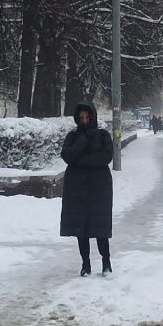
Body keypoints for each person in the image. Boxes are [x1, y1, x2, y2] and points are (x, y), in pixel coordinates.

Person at [60, 102, 114, 276]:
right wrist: (84, 139)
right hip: (77, 188)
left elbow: (106, 156)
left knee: (100, 228)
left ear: (93, 117)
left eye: (87, 117)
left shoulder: (103, 135)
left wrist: (82, 161)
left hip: (99, 188)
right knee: (81, 230)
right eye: (81, 118)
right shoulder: (73, 136)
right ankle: (86, 264)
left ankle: (106, 262)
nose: (84, 121)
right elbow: (67, 156)